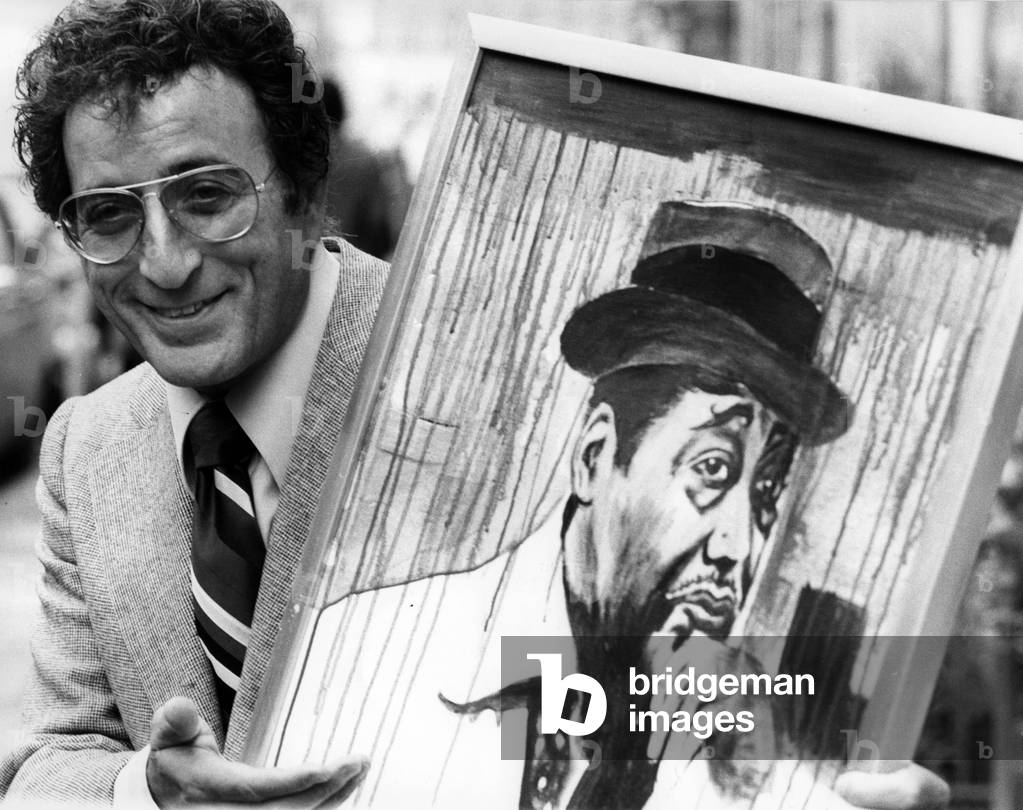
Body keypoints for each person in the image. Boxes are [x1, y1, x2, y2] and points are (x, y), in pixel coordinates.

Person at [0, 1, 949, 807]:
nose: (163, 263)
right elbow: (51, 761)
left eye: (207, 197)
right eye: (110, 216)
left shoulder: (487, 372)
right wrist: (146, 793)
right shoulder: (88, 445)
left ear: (301, 189)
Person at [269, 204, 950, 809]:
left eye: (766, 495)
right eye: (713, 468)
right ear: (595, 455)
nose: (738, 544)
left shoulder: (767, 771)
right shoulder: (360, 665)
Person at [320, 77, 412, 261]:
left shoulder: (302, 164)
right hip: (358, 265)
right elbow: (380, 226)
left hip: (317, 264)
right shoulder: (363, 160)